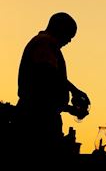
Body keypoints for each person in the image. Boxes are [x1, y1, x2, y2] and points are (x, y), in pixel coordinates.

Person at [16, 12, 90, 155]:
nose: (69, 40)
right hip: (37, 121)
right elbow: (46, 74)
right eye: (69, 35)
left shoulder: (44, 44)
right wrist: (73, 93)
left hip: (41, 116)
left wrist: (69, 104)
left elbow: (48, 83)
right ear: (59, 28)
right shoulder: (45, 43)